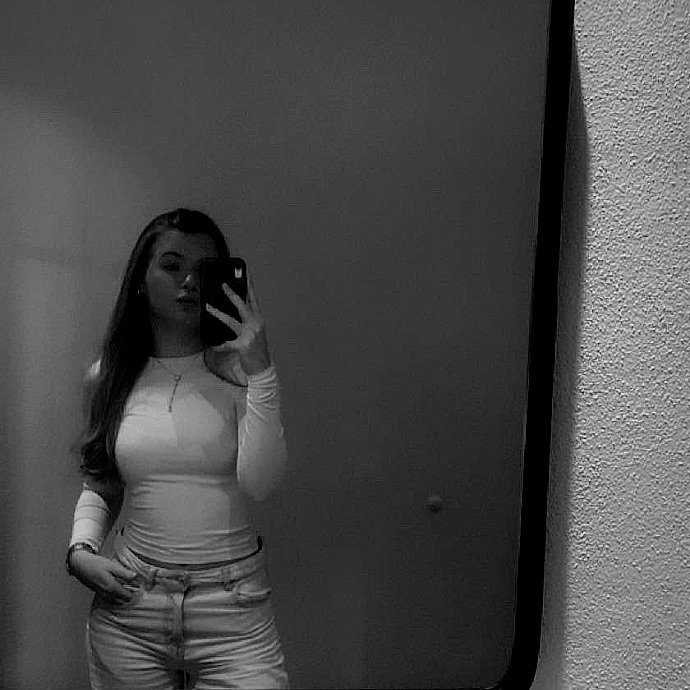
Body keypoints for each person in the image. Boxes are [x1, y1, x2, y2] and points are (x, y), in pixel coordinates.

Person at [66, 208, 289, 689]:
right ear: (140, 281)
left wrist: (261, 372)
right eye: (171, 266)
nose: (188, 281)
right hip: (131, 607)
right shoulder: (108, 377)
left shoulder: (241, 371)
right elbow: (101, 482)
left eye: (203, 270)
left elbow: (261, 483)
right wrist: (80, 551)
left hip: (233, 612)